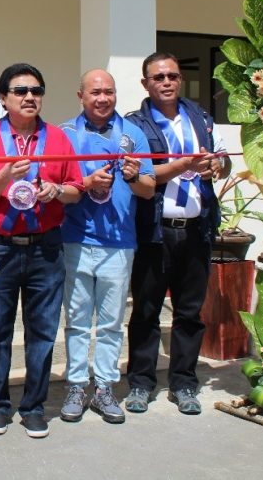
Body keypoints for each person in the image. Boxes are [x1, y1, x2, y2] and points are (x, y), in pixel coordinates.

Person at [0, 63, 84, 439]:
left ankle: (34, 406)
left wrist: (57, 192)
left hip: (45, 249)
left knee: (43, 331)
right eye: (20, 91)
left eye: (36, 90)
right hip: (0, 248)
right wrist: (6, 176)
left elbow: (76, 189)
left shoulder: (58, 139)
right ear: (3, 98)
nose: (30, 97)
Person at [123, 52, 230, 416]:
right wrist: (181, 165)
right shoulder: (134, 126)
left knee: (189, 312)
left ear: (180, 79)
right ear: (145, 84)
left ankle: (184, 383)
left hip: (196, 229)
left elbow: (224, 158)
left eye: (171, 76)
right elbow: (138, 177)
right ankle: (140, 383)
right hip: (155, 231)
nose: (166, 82)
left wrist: (217, 164)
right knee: (147, 310)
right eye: (158, 77)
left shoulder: (199, 117)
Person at [58, 70, 155, 425]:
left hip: (119, 241)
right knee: (78, 320)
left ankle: (104, 387)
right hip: (76, 238)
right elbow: (57, 185)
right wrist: (85, 183)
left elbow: (147, 189)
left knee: (112, 322)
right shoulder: (65, 134)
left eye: (109, 92)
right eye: (95, 92)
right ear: (80, 95)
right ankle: (77, 385)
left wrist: (130, 175)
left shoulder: (133, 134)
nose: (103, 98)